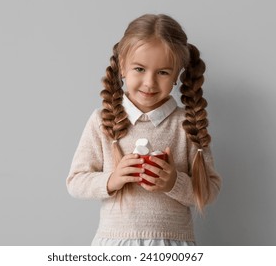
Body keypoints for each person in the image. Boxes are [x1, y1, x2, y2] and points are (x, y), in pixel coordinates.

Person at [66, 14, 221, 246]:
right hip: (116, 244)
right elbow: (75, 181)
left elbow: (210, 190)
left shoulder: (187, 124)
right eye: (139, 68)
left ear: (177, 75)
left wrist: (174, 183)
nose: (149, 82)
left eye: (163, 72)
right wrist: (112, 180)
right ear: (122, 67)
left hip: (172, 245)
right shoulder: (102, 120)